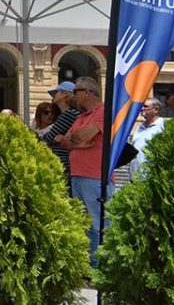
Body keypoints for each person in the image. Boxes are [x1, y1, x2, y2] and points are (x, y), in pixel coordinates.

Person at [55, 76, 113, 267]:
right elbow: (65, 141)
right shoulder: (81, 117)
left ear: (88, 92)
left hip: (95, 176)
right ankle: (88, 264)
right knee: (84, 223)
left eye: (76, 91)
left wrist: (74, 139)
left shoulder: (103, 111)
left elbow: (78, 137)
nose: (73, 96)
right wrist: (77, 141)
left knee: (98, 224)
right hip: (78, 176)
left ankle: (99, 266)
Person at [42, 81, 80, 189]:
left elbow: (47, 139)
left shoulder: (68, 115)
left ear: (65, 94)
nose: (54, 96)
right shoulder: (71, 114)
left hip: (64, 165)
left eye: (57, 92)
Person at [129, 98, 165, 176]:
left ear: (156, 109)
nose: (142, 108)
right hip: (135, 177)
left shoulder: (163, 126)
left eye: (145, 106)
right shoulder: (140, 127)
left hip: (152, 177)